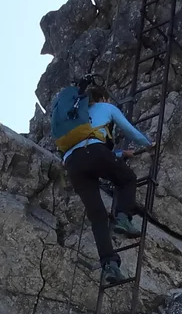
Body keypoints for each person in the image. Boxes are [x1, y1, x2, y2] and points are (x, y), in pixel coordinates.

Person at [63, 87, 152, 285]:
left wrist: (120, 154)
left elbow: (83, 146)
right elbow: (128, 130)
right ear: (102, 98)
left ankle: (109, 265)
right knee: (127, 178)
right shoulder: (106, 107)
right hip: (94, 153)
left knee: (98, 217)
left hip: (72, 164)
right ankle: (123, 218)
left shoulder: (74, 117)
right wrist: (148, 144)